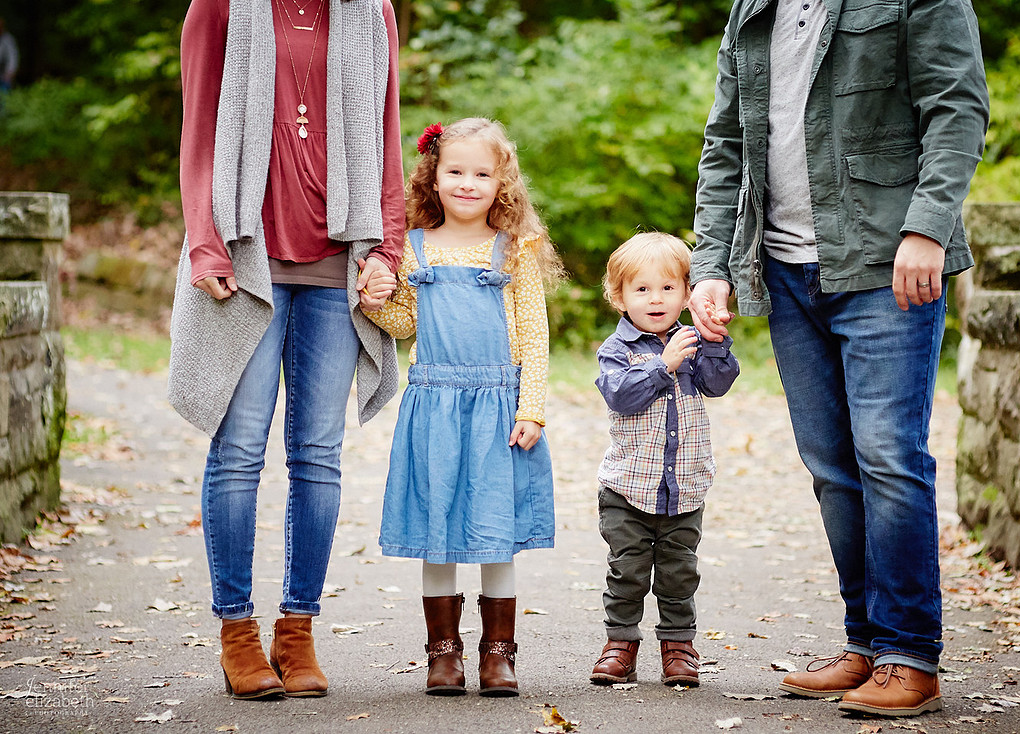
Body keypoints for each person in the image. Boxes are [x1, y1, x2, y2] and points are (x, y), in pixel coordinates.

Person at [690, 0, 989, 718]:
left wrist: (927, 226)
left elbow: (958, 108)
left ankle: (910, 655)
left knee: (887, 455)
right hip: (787, 271)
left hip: (888, 262)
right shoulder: (753, 9)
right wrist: (711, 262)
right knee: (831, 464)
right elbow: (725, 142)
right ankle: (868, 642)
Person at [168, 0, 405, 700]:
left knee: (317, 455)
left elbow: (387, 136)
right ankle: (237, 630)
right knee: (239, 449)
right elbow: (200, 131)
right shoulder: (221, 6)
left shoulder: (372, 11)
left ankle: (297, 629)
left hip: (338, 263)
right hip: (246, 257)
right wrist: (205, 239)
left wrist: (386, 248)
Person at [364, 118, 561, 698]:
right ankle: (442, 654)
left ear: (503, 183)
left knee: (494, 527)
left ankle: (498, 654)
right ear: (433, 176)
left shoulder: (513, 250)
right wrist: (374, 302)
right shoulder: (413, 248)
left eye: (483, 173)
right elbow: (405, 324)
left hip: (499, 406)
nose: (468, 183)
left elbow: (533, 334)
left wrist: (532, 409)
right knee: (439, 525)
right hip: (435, 406)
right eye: (456, 171)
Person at [587, 232, 739, 688]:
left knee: (678, 571)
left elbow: (717, 382)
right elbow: (621, 395)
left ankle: (678, 647)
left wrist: (714, 341)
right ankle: (620, 645)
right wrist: (664, 365)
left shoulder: (691, 340)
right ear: (620, 297)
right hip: (628, 487)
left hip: (684, 486)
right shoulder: (617, 350)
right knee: (628, 570)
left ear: (687, 293)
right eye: (642, 289)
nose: (656, 299)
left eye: (669, 288)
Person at [0, 16, 18, 92]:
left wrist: (10, 72)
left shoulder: (8, 39)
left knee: (4, 99)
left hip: (4, 75)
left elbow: (13, 56)